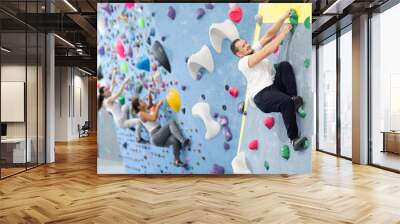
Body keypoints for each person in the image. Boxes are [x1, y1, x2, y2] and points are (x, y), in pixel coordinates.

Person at [230, 9, 307, 150]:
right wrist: (284, 33)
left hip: (273, 87)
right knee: (284, 102)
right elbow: (267, 51)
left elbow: (269, 34)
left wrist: (284, 15)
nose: (247, 45)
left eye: (245, 42)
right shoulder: (243, 62)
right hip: (262, 96)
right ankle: (294, 139)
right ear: (239, 53)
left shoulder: (252, 49)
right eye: (243, 46)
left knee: (283, 66)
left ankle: (293, 100)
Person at [131, 95, 190, 167]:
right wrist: (158, 105)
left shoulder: (144, 111)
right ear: (138, 107)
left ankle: (176, 161)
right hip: (155, 135)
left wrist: (150, 99)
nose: (143, 101)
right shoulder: (140, 114)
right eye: (140, 101)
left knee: (174, 139)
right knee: (171, 122)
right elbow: (153, 118)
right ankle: (183, 140)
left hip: (158, 137)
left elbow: (149, 106)